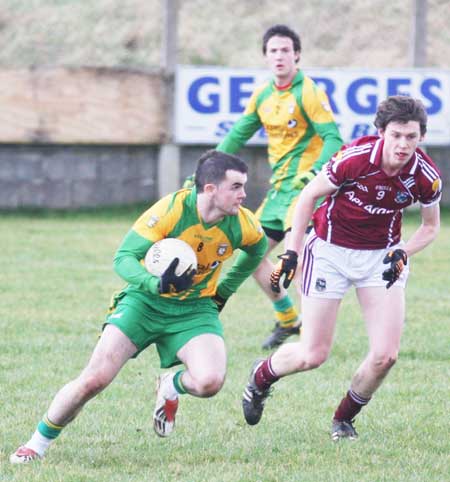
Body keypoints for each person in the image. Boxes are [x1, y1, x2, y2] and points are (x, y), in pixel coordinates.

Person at [10, 150, 268, 464]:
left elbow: (257, 251)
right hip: (143, 303)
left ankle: (171, 386)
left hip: (195, 309)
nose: (244, 194)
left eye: (244, 186)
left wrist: (224, 291)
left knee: (209, 381)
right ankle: (36, 444)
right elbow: (123, 258)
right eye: (236, 187)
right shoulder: (172, 209)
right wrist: (153, 283)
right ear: (210, 189)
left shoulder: (243, 224)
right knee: (95, 379)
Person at [240, 96, 442, 440]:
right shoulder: (355, 158)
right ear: (381, 132)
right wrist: (292, 252)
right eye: (396, 135)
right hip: (330, 253)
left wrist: (403, 252)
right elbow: (307, 198)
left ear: (421, 137)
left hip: (381, 258)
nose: (403, 144)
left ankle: (344, 419)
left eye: (411, 136)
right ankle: (261, 377)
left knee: (385, 356)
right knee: (313, 354)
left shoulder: (425, 176)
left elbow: (430, 226)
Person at [217, 24, 342, 349]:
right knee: (250, 253)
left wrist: (314, 173)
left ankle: (313, 337)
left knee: (295, 258)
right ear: (266, 57)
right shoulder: (263, 95)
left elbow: (334, 139)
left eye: (285, 50)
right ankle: (289, 320)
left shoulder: (309, 91)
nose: (279, 56)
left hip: (305, 191)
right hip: (277, 193)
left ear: (297, 55)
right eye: (273, 50)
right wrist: (208, 169)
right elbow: (237, 135)